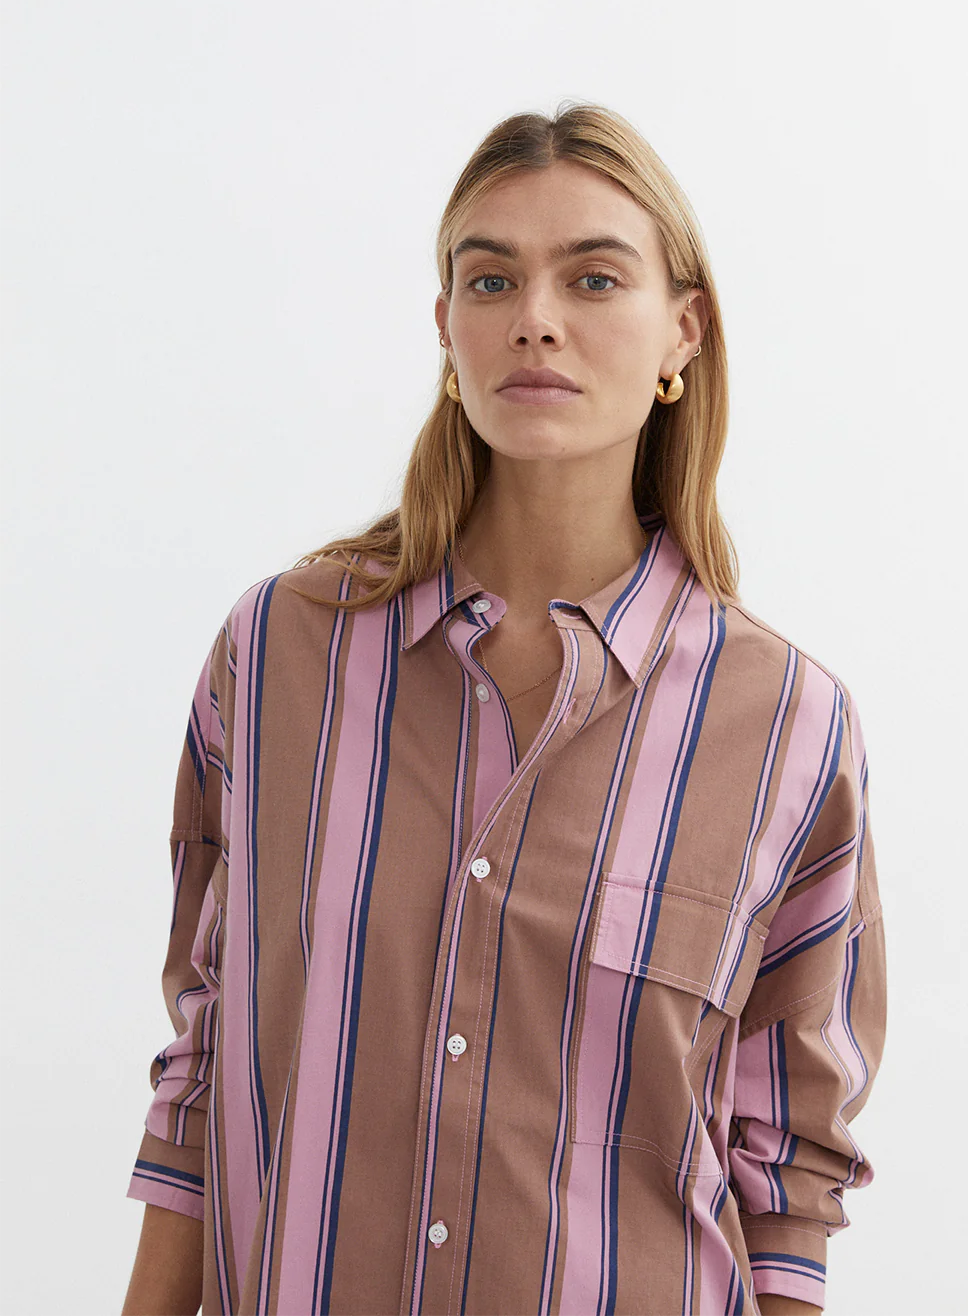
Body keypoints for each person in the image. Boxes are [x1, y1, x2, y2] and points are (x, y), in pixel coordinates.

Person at [121, 103, 887, 1316]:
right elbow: (203, 1074)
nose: (535, 317)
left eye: (593, 278)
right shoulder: (276, 658)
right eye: (491, 279)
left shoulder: (785, 723)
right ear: (446, 327)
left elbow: (784, 1178)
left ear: (682, 331)